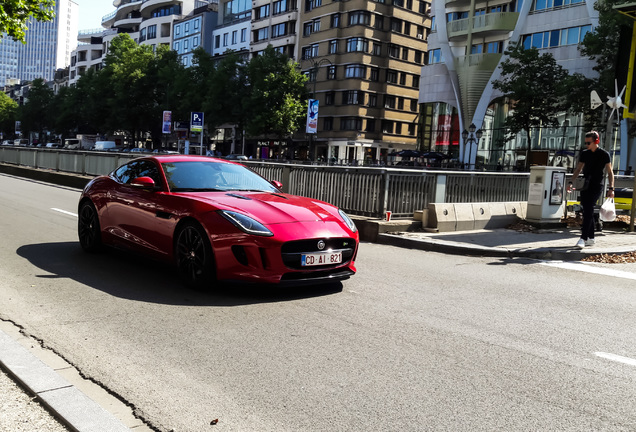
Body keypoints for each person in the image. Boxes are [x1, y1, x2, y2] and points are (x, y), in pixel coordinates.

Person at [566, 131, 614, 248]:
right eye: (585, 143)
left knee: (588, 208)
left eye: (588, 143)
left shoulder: (604, 154)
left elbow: (610, 172)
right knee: (587, 211)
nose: (586, 145)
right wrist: (571, 182)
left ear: (596, 141)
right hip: (585, 184)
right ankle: (591, 238)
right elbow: (578, 169)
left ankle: (583, 238)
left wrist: (611, 188)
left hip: (597, 185)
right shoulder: (585, 154)